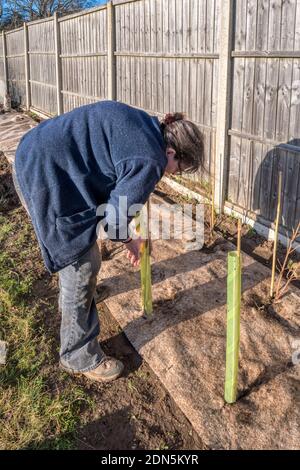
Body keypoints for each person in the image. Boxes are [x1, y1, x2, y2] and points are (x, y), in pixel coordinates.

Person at [13, 100, 204, 383]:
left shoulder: (148, 125)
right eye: (177, 169)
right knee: (81, 263)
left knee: (85, 256)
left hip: (38, 154)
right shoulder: (150, 159)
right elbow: (114, 220)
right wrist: (130, 241)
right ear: (172, 152)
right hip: (44, 176)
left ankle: (78, 299)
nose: (170, 175)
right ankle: (77, 355)